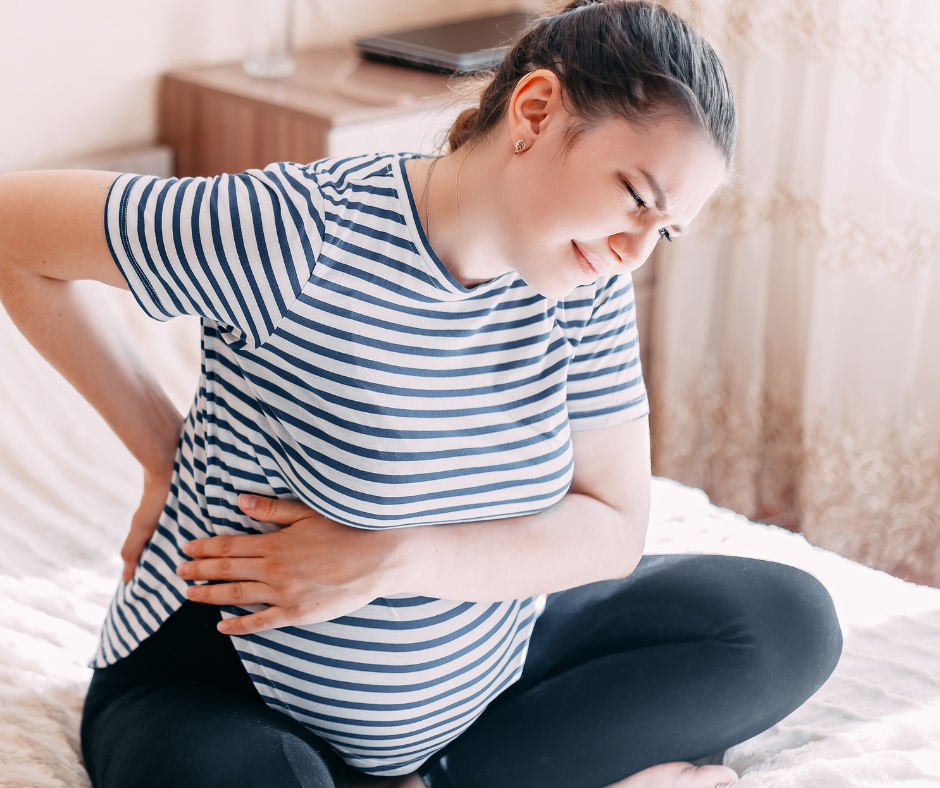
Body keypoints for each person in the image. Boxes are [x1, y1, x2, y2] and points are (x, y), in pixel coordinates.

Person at [0, 2, 842, 787]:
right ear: (537, 111)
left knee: (783, 621)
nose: (634, 250)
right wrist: (164, 450)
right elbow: (14, 230)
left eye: (665, 231)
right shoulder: (293, 235)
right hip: (223, 684)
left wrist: (393, 559)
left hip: (481, 685)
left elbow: (613, 526)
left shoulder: (587, 280)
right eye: (635, 199)